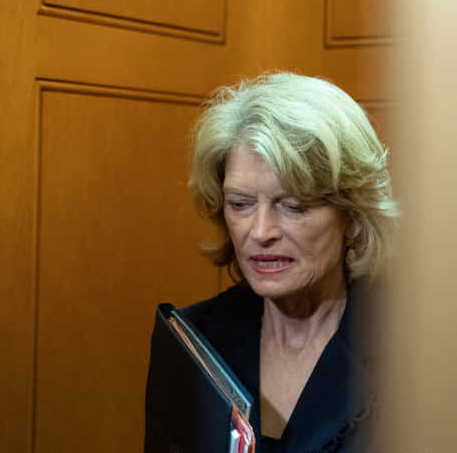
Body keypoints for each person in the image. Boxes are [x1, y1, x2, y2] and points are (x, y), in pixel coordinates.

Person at [147, 72, 398, 452]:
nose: (261, 231)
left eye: (293, 206)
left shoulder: (414, 348)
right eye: (240, 204)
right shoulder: (193, 344)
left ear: (352, 215)